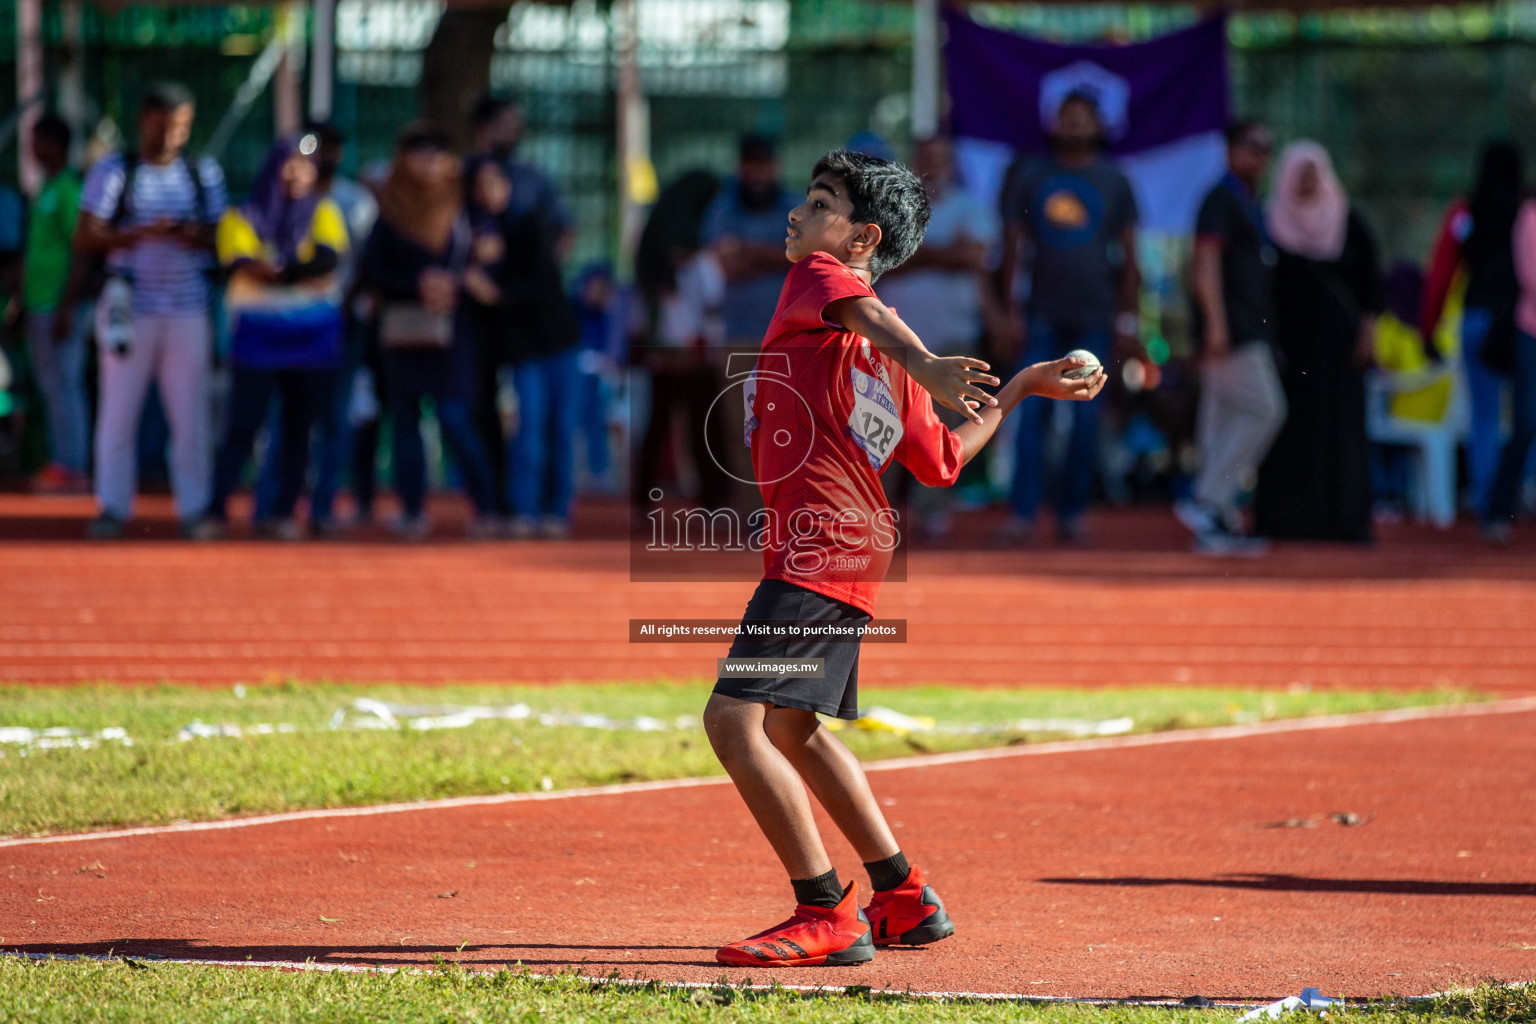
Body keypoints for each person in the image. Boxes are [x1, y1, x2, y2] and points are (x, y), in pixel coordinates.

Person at [703, 149, 1105, 968]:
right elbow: (943, 463)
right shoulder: (877, 339)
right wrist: (1021, 386)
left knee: (732, 722)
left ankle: (825, 912)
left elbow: (876, 320)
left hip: (823, 543)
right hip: (854, 545)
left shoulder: (823, 279)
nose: (799, 216)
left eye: (819, 204)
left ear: (861, 239)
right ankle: (903, 896)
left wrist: (922, 360)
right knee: (794, 725)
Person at [74, 80, 228, 539]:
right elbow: (86, 236)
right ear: (144, 121)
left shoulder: (204, 174)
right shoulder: (115, 171)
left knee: (190, 416)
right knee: (118, 412)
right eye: (161, 125)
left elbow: (224, 238)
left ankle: (195, 508)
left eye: (179, 126)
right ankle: (114, 506)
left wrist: (187, 234)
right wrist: (139, 233)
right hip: (130, 308)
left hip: (187, 311)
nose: (170, 135)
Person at [997, 93, 1140, 545]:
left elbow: (1132, 258)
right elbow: (1013, 251)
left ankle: (1072, 515)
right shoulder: (1031, 176)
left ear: (1098, 125)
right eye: (1067, 118)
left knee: (1086, 420)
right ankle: (1022, 515)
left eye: (1083, 119)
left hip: (1095, 319)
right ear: (1054, 123)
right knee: (1030, 413)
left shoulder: (1115, 181)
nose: (1075, 126)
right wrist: (1009, 312)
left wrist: (1129, 321)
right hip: (1039, 316)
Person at [199, 135, 350, 540]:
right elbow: (243, 262)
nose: (298, 174)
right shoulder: (242, 216)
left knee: (300, 428)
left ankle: (282, 512)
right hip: (258, 339)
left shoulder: (323, 210)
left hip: (312, 340)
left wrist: (279, 271)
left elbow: (327, 259)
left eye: (306, 166)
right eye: (290, 164)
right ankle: (216, 509)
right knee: (243, 425)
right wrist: (293, 272)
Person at [360, 122, 499, 539]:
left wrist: (456, 283)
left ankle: (487, 507)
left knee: (455, 419)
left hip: (453, 333)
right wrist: (416, 286)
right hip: (403, 332)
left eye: (437, 154)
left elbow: (490, 256)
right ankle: (411, 508)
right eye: (419, 154)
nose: (428, 163)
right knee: (405, 423)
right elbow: (373, 270)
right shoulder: (388, 210)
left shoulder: (465, 207)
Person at [252, 123, 379, 535]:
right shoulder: (272, 200)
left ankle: (323, 506)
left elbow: (362, 264)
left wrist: (338, 303)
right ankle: (272, 506)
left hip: (339, 323)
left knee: (335, 418)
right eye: (312, 146)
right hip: (284, 323)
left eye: (332, 146)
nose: (322, 154)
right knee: (284, 419)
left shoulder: (353, 201)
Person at [1253, 141, 1382, 543]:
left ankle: (1344, 521)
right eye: (1300, 172)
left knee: (1340, 428)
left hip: (1339, 350)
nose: (1307, 182)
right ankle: (1289, 522)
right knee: (1290, 426)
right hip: (1291, 347)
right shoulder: (1270, 222)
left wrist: (1368, 335)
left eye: (1314, 172)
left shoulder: (1347, 220)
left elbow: (1372, 288)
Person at [878, 135, 998, 541]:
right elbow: (871, 262)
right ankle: (879, 513)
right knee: (880, 426)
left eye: (942, 158)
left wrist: (910, 256)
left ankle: (931, 516)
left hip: (951, 338)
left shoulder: (970, 206)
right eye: (926, 156)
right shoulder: (890, 207)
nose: (934, 164)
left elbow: (975, 257)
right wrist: (945, 255)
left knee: (939, 431)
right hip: (892, 342)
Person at [459, 156, 580, 538]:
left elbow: (540, 283)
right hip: (523, 350)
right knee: (528, 432)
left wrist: (497, 290)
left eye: (495, 184)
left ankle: (556, 512)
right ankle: (525, 510)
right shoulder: (469, 234)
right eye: (481, 186)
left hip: (559, 343)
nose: (489, 193)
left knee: (560, 429)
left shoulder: (528, 224)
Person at [1179, 119, 1285, 555]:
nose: (1260, 156)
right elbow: (1204, 262)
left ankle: (1216, 521)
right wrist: (1217, 325)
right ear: (1229, 149)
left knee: (1219, 423)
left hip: (1244, 328)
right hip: (1233, 332)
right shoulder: (1221, 197)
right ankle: (1208, 500)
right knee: (1266, 410)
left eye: (1267, 148)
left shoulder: (1247, 200)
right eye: (1251, 146)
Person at [22, 115, 92, 494]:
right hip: (40, 304)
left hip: (59, 307)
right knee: (53, 386)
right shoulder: (45, 188)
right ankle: (63, 461)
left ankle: (73, 466)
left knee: (65, 385)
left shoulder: (67, 189)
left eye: (36, 141)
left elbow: (80, 250)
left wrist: (66, 307)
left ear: (55, 144)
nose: (31, 149)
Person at [1453, 143, 1522, 517]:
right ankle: (1516, 493)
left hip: (1477, 315)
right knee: (1525, 415)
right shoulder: (1524, 210)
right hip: (1520, 320)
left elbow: (1448, 265)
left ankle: (1487, 499)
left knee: (1483, 416)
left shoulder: (1469, 210)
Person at [703, 135, 800, 348]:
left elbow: (805, 256)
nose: (758, 172)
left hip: (790, 335)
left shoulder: (795, 206)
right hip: (739, 335)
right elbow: (729, 266)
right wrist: (782, 256)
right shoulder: (723, 209)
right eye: (751, 163)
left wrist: (746, 250)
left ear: (776, 166)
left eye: (763, 163)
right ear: (740, 167)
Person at [1482, 191, 1536, 544]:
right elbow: (1530, 276)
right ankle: (1498, 511)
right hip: (1531, 333)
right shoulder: (1529, 216)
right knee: (1526, 423)